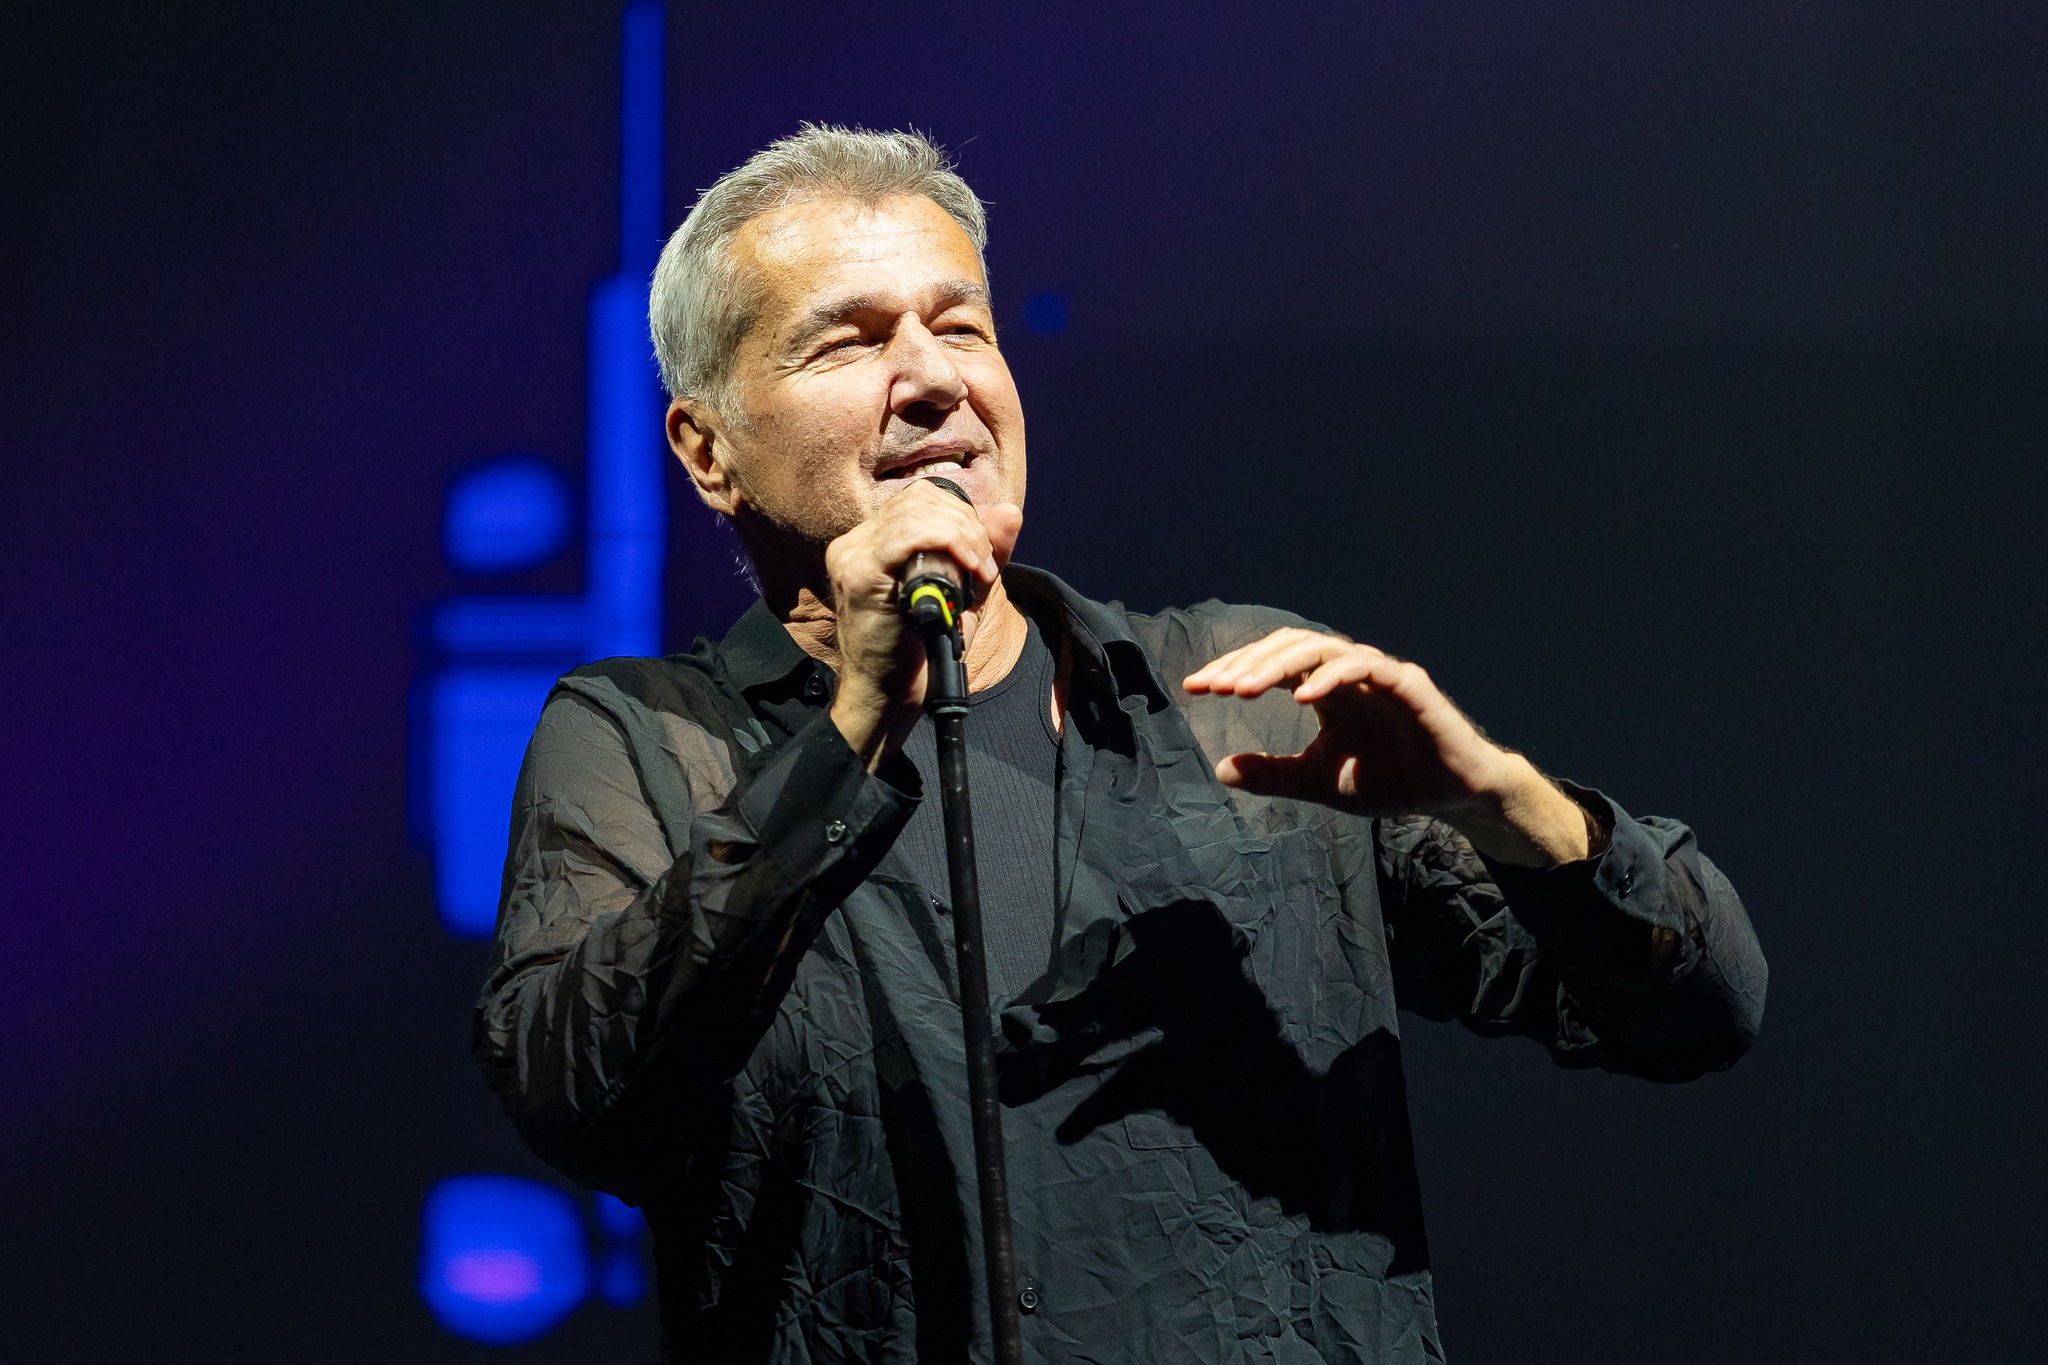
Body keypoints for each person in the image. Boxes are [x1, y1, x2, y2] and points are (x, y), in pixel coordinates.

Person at [473, 125, 1767, 1364]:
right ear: (708, 452)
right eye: (849, 342)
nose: (934, 379)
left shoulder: (1246, 702)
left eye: (961, 326)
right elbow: (579, 1094)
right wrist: (854, 724)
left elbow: (1700, 1007)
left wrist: (1500, 799)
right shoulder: (648, 740)